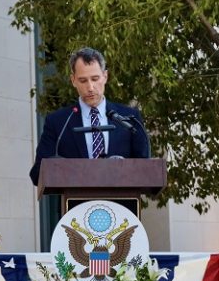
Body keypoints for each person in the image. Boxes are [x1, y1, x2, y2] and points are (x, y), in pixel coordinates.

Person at [30, 47, 149, 186]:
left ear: (105, 76)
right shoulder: (58, 122)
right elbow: (37, 173)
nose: (90, 87)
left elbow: (145, 169)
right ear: (73, 80)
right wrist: (67, 168)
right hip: (75, 205)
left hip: (121, 205)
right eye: (83, 80)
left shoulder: (129, 118)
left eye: (95, 78)